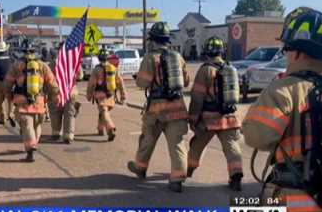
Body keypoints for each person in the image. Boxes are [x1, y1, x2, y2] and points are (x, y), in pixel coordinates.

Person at [243, 7, 322, 212]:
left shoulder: (284, 89)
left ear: (296, 52)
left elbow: (257, 136)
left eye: (286, 49)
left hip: (296, 210)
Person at [127, 21, 190, 192]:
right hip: (177, 108)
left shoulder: (150, 57)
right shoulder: (177, 57)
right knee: (177, 144)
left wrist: (138, 77)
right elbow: (185, 82)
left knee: (148, 139)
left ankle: (140, 168)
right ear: (167, 40)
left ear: (153, 40)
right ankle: (177, 179)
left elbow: (143, 82)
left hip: (156, 110)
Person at [187, 36, 243, 191]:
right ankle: (236, 174)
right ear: (221, 51)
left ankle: (188, 170)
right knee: (232, 147)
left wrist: (193, 118)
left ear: (207, 51)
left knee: (197, 145)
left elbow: (197, 97)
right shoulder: (230, 68)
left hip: (209, 120)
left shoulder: (205, 69)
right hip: (230, 117)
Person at [5, 39, 60, 162]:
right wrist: (56, 95)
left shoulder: (16, 65)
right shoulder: (42, 65)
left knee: (26, 125)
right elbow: (52, 82)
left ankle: (30, 149)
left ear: (23, 51)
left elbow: (8, 83)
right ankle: (33, 144)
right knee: (37, 125)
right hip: (39, 102)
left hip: (22, 102)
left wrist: (8, 95)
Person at [86, 48, 126, 141]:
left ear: (99, 58)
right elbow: (120, 82)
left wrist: (89, 95)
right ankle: (100, 129)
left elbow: (91, 83)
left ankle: (110, 129)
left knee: (104, 112)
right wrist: (123, 95)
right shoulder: (113, 68)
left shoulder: (97, 69)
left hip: (100, 94)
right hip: (111, 94)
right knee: (103, 112)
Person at [48, 43, 83, 144]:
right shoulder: (75, 62)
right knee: (69, 113)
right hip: (71, 91)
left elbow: (48, 78)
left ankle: (55, 132)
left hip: (56, 91)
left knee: (55, 112)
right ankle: (68, 135)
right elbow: (80, 76)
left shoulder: (53, 63)